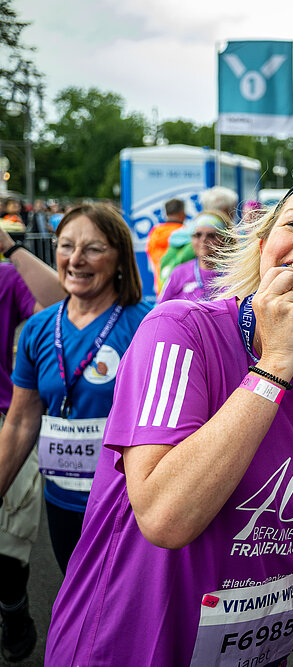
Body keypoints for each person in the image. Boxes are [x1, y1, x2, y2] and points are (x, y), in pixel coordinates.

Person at [44, 168, 293, 665]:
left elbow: (286, 531)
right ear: (263, 245)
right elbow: (165, 517)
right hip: (131, 645)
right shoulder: (178, 330)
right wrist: (273, 367)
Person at [0, 204, 151, 576]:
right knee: (76, 595)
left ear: (119, 259)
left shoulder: (148, 325)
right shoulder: (39, 328)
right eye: (66, 246)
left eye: (93, 248)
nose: (76, 259)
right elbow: (20, 424)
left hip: (125, 506)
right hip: (62, 500)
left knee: (121, 611)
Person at [0, 228, 65, 662]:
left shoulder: (6, 278)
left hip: (6, 417)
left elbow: (64, 300)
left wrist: (11, 247)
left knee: (8, 542)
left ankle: (13, 604)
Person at [157, 210, 232, 303]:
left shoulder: (233, 274)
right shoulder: (179, 273)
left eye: (211, 235)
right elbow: (159, 309)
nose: (203, 239)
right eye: (198, 235)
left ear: (225, 240)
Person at [147, 197, 187, 294]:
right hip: (182, 290)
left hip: (160, 288)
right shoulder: (187, 233)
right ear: (182, 214)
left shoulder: (155, 233)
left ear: (166, 214)